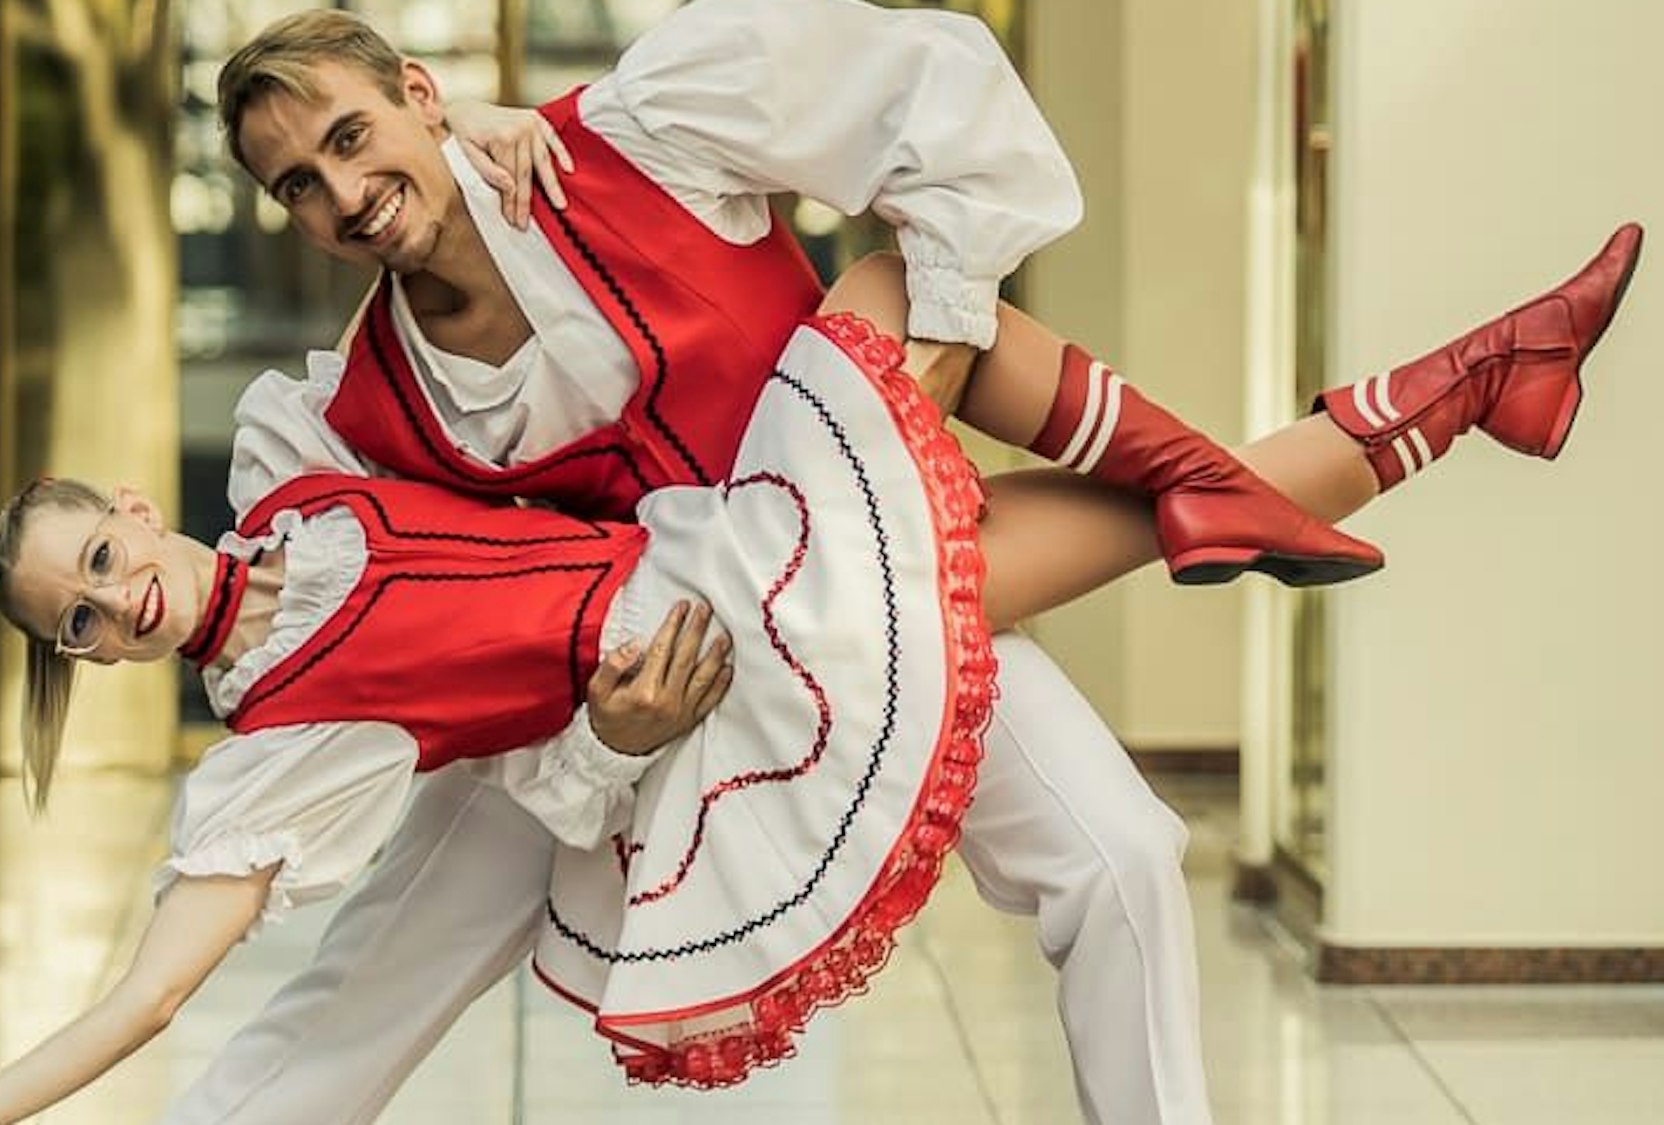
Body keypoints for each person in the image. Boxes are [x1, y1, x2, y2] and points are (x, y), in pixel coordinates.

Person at [156, 2, 1636, 1121]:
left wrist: (927, 340)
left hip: (872, 577)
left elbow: (920, 87)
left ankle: (1397, 415)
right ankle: (1379, 422)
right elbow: (385, 622)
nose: (338, 194)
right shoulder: (355, 417)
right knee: (405, 928)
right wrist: (603, 741)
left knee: (1118, 855)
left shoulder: (636, 129)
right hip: (705, 682)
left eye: (350, 138)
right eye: (295, 184)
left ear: (420, 97)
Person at [0, 214, 1641, 1122]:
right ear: (86, 653)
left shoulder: (299, 452)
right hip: (738, 665)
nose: (114, 601)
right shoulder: (279, 743)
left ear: (139, 508)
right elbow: (159, 998)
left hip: (737, 544)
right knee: (947, 339)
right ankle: (1430, 404)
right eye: (77, 618)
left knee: (974, 358)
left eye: (100, 558)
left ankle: (1475, 386)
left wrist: (479, 122)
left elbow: (439, 248)